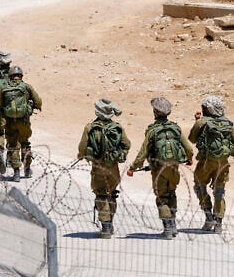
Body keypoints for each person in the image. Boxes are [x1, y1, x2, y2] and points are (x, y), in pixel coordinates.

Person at [127, 97, 193, 239]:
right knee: (172, 193)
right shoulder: (175, 128)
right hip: (174, 168)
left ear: (155, 113)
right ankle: (173, 225)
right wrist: (189, 159)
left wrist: (133, 167)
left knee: (162, 197)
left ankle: (167, 228)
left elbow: (143, 153)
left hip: (159, 169)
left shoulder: (152, 131)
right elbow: (188, 148)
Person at [188, 95, 234, 233]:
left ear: (207, 109)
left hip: (205, 162)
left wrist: (197, 121)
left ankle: (208, 216)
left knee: (199, 186)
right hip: (222, 163)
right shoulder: (228, 123)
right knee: (219, 191)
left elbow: (192, 139)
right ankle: (218, 223)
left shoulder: (202, 122)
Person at [78, 99, 131, 238]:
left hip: (98, 168)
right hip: (113, 169)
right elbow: (126, 144)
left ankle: (106, 227)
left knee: (101, 195)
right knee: (112, 194)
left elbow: (83, 146)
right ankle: (110, 223)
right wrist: (120, 155)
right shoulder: (117, 128)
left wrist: (82, 155)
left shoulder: (90, 128)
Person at [0, 65, 42, 182]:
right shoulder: (27, 87)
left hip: (10, 122)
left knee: (13, 146)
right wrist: (33, 107)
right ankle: (27, 169)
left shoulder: (4, 88)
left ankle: (16, 173)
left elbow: (0, 105)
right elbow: (38, 101)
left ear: (10, 76)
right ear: (21, 76)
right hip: (24, 121)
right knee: (25, 143)